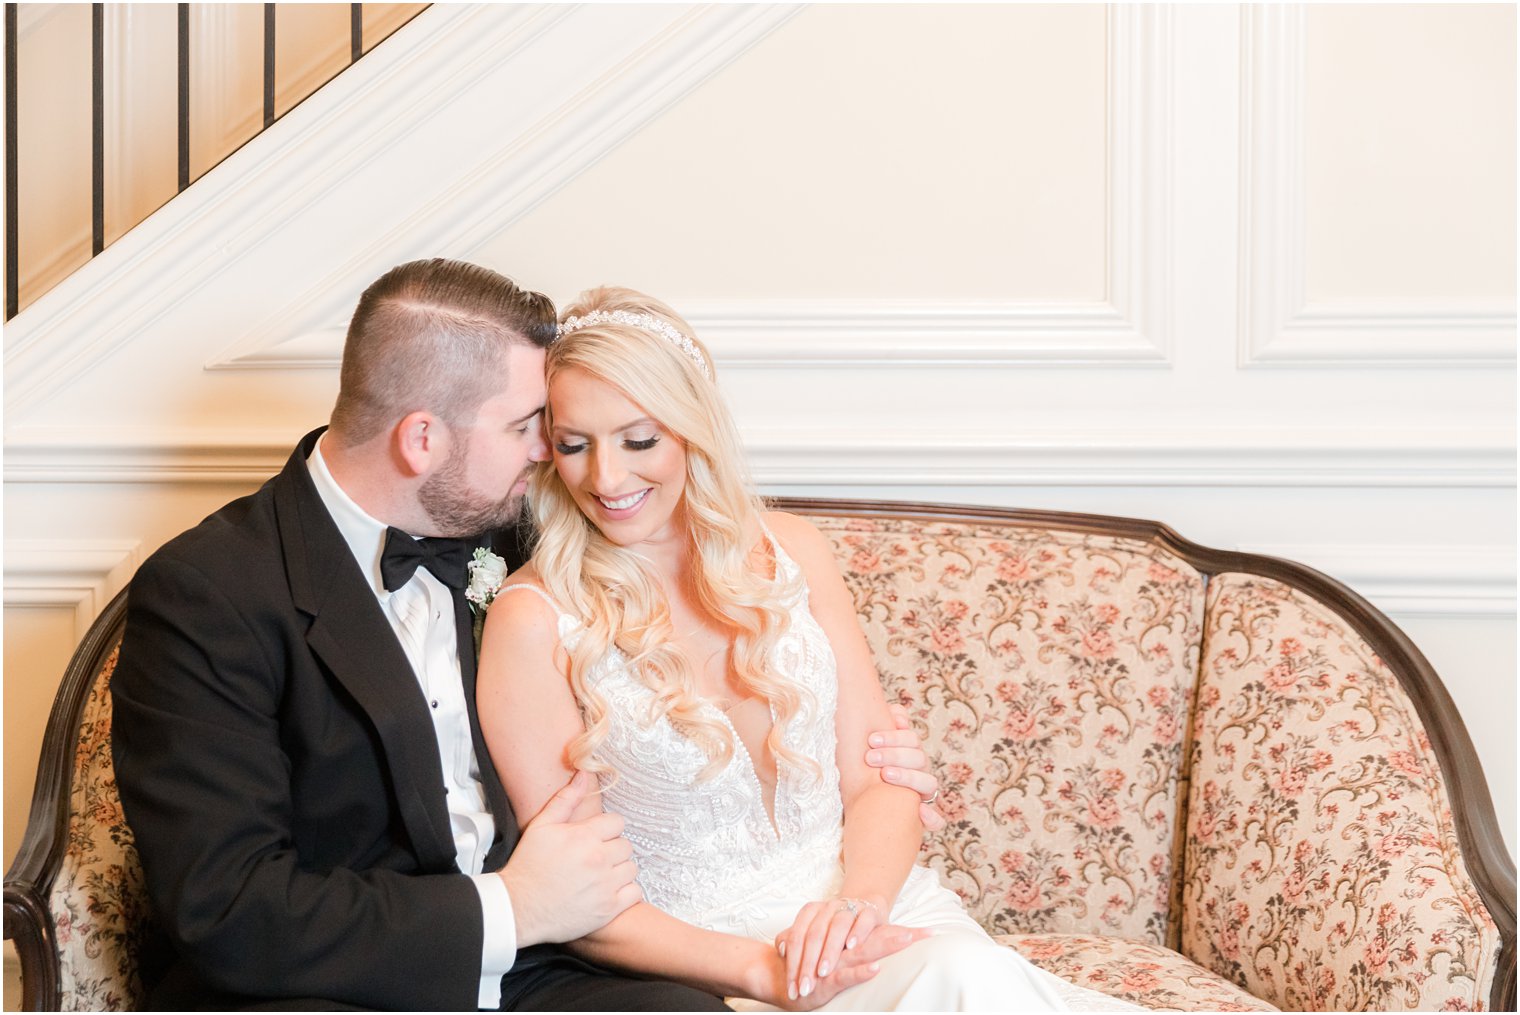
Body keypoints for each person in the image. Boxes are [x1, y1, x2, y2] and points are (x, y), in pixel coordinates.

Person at [111, 258, 939, 1011]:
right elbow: (229, 907)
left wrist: (876, 761)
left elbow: (678, 557)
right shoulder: (208, 595)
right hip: (345, 986)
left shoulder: (505, 528)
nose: (556, 457)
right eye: (527, 428)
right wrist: (514, 905)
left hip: (542, 972)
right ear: (422, 439)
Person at [476, 288, 1137, 1011]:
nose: (606, 478)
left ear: (694, 430)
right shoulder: (532, 620)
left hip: (881, 913)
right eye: (574, 445)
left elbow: (879, 778)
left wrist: (856, 910)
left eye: (639, 440)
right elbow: (571, 899)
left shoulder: (794, 551)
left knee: (964, 973)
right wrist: (764, 968)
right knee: (964, 983)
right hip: (718, 970)